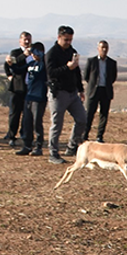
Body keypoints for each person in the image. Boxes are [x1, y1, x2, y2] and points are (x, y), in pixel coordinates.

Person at [44, 25, 86, 164]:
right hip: (58, 93)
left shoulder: (72, 51)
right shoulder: (51, 53)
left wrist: (80, 89)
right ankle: (53, 153)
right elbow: (50, 73)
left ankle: (72, 146)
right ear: (59, 37)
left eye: (70, 40)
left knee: (82, 119)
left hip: (72, 92)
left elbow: (76, 71)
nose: (68, 42)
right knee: (57, 124)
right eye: (66, 40)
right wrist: (66, 67)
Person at [83, 40, 118, 143]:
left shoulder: (112, 63)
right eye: (102, 47)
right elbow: (86, 76)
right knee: (89, 114)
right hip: (93, 91)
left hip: (105, 91)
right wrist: (93, 84)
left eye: (106, 47)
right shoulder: (91, 61)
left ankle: (99, 137)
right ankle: (84, 136)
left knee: (103, 115)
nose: (104, 49)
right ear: (98, 48)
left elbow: (113, 77)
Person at [16, 42, 47, 156]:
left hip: (39, 97)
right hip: (29, 96)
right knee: (26, 121)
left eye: (34, 53)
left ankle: (38, 146)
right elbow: (18, 70)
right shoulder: (31, 63)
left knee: (36, 122)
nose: (33, 55)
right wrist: (11, 64)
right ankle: (27, 145)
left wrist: (33, 49)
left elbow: (44, 57)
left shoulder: (44, 64)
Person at [3, 31, 32, 146]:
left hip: (29, 88)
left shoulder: (33, 53)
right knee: (14, 113)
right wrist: (9, 76)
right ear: (20, 40)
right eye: (24, 39)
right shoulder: (15, 53)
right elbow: (11, 64)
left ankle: (25, 134)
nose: (26, 41)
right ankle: (11, 135)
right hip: (17, 88)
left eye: (29, 39)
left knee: (27, 113)